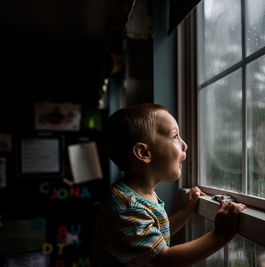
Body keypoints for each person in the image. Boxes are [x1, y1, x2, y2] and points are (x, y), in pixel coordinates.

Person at [91, 103, 246, 266]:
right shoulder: (128, 207)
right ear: (144, 153)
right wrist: (220, 236)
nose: (184, 145)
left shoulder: (137, 194)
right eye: (175, 136)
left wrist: (187, 211)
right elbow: (164, 259)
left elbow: (156, 236)